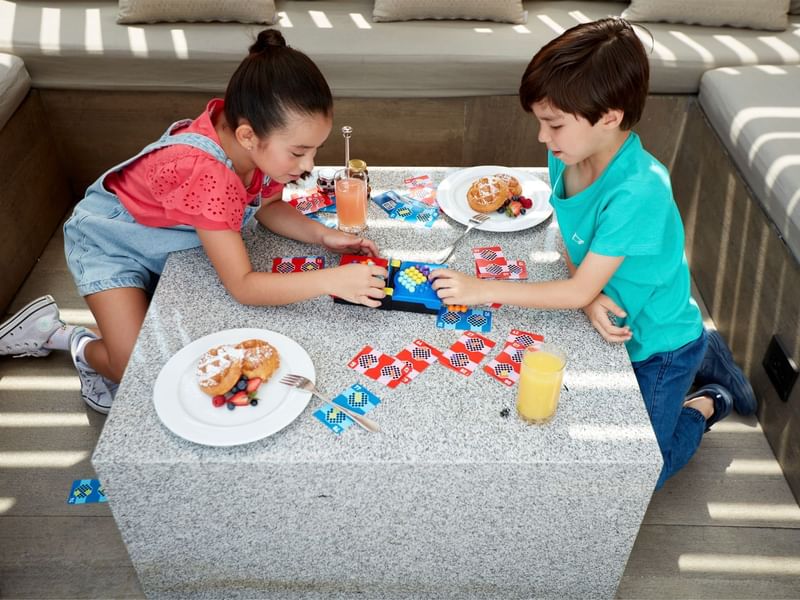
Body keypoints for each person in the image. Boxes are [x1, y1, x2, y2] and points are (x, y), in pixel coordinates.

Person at [430, 17, 756, 489]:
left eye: (554, 124)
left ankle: (709, 398)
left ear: (610, 116)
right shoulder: (565, 154)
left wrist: (482, 289)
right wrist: (585, 296)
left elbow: (581, 284)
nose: (543, 137)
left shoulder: (640, 190)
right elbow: (572, 242)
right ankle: (708, 350)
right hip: (613, 313)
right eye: (542, 122)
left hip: (658, 344)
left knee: (640, 475)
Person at [0, 29, 387, 415]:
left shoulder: (255, 145)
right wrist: (330, 280)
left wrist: (324, 235)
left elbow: (268, 208)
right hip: (109, 244)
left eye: (314, 150)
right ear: (248, 135)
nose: (308, 166)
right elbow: (244, 287)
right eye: (299, 152)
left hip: (166, 238)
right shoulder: (208, 174)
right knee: (132, 366)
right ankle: (64, 338)